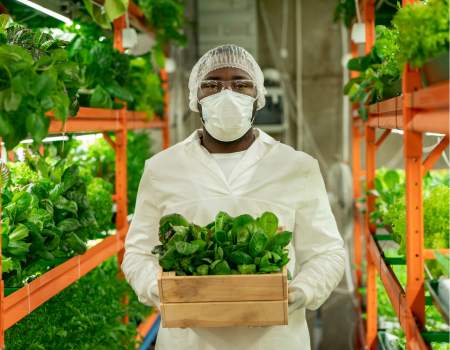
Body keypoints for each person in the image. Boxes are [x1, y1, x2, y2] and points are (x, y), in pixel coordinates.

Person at [122, 44, 345, 350]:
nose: (227, 94)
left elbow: (328, 252)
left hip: (275, 341)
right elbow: (137, 253)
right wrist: (160, 291)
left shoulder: (297, 167)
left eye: (241, 84)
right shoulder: (162, 169)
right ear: (195, 97)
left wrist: (300, 291)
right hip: (187, 341)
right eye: (212, 85)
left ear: (258, 96)